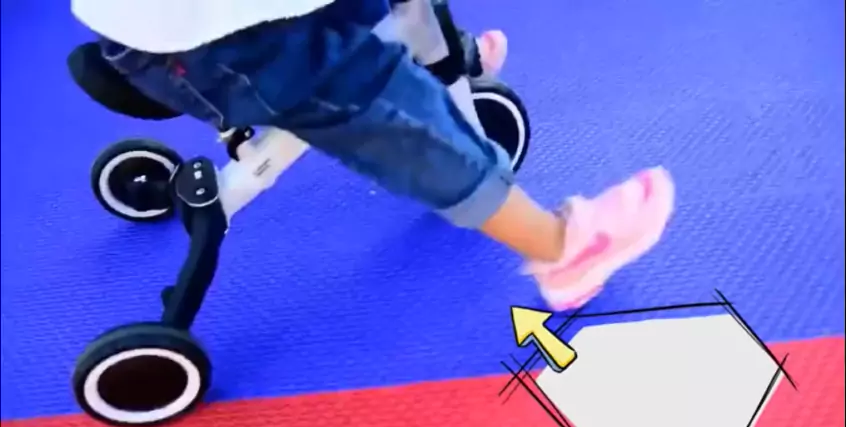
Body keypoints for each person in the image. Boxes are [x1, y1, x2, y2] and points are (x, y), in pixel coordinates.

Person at [70, 0, 675, 311]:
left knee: (383, 11)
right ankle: (561, 252)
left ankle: (444, 56)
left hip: (197, 29)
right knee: (387, 113)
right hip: (217, 48)